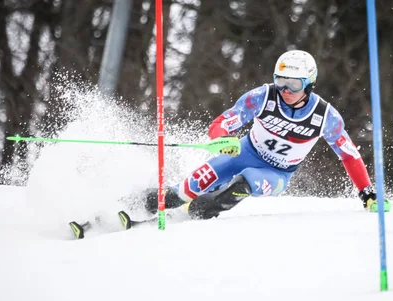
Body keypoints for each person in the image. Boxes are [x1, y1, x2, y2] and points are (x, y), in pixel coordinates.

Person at [145, 49, 380, 219]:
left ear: (309, 84)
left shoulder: (326, 116)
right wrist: (222, 139)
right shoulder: (263, 97)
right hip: (243, 153)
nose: (285, 90)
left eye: (294, 85)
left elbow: (348, 155)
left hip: (276, 173)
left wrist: (367, 193)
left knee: (242, 183)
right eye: (281, 81)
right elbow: (223, 122)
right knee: (187, 189)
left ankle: (200, 210)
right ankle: (139, 203)